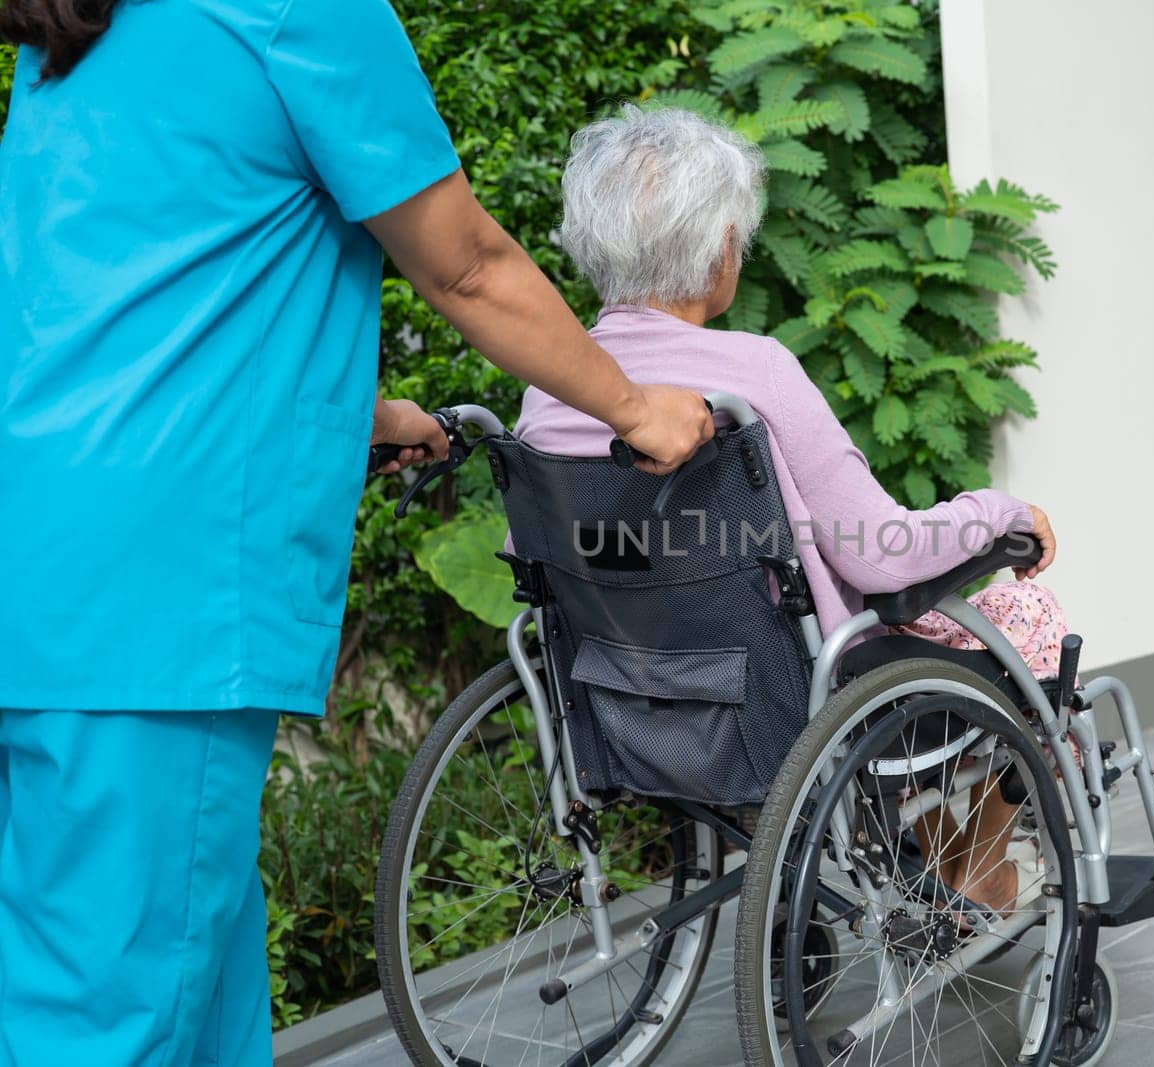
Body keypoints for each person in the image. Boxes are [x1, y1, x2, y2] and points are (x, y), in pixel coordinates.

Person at [0, 1, 712, 1063]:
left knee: (192, 993)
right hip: (156, 601)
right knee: (113, 1019)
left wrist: (337, 414)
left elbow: (112, 295)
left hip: (51, 568)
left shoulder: (79, 33)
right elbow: (464, 261)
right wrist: (636, 407)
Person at [514, 105, 1071, 920]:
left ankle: (945, 848)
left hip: (624, 698)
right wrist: (999, 512)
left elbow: (546, 557)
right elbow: (882, 556)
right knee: (1022, 610)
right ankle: (980, 857)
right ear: (717, 253)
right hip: (785, 699)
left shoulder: (548, 392)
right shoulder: (754, 373)